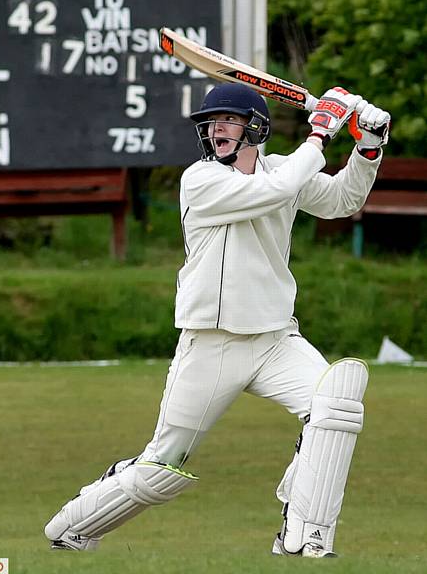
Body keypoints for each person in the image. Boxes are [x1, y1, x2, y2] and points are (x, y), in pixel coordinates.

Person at [44, 82, 391, 558]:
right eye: (211, 122)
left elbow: (340, 201)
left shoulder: (280, 170)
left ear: (256, 128)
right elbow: (276, 190)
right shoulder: (201, 181)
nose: (216, 129)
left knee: (336, 403)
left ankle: (304, 536)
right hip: (211, 344)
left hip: (274, 339)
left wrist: (368, 145)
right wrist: (320, 132)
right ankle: (72, 527)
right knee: (164, 464)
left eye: (229, 120)